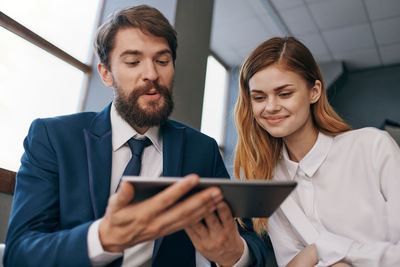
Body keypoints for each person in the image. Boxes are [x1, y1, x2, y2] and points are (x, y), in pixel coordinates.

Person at [3, 5, 269, 267]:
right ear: (106, 74)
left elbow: (248, 240)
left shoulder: (202, 149)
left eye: (162, 61)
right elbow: (20, 252)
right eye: (133, 62)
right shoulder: (53, 138)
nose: (152, 74)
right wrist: (104, 238)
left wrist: (234, 255)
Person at [234, 36, 400, 267]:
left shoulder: (373, 147)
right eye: (259, 97)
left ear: (314, 92)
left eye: (284, 94)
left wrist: (320, 250)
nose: (270, 107)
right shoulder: (271, 181)